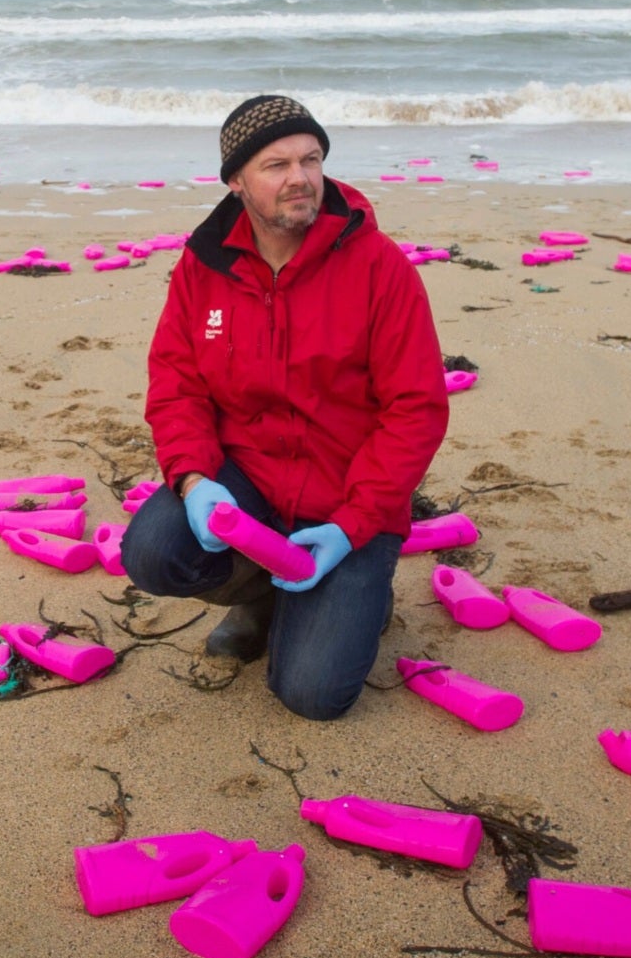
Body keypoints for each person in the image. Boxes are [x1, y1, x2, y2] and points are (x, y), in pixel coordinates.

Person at [124, 95, 450, 720]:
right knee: (152, 550)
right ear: (237, 182)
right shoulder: (203, 266)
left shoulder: (381, 268)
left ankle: (359, 596)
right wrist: (193, 480)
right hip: (248, 479)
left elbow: (416, 410)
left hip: (349, 498)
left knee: (313, 696)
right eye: (276, 164)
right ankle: (263, 595)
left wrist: (355, 523)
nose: (299, 177)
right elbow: (176, 381)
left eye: (311, 159)